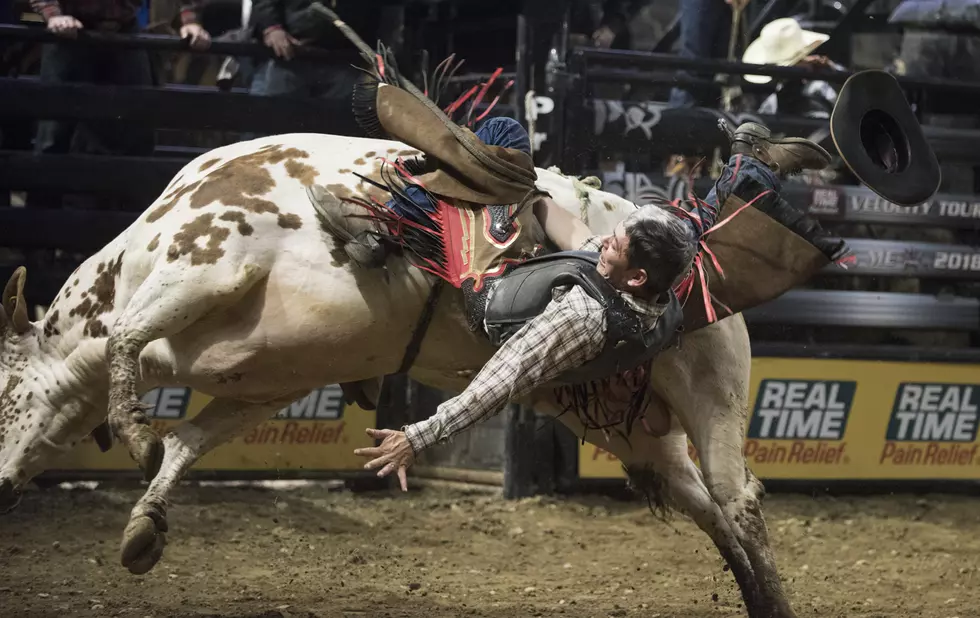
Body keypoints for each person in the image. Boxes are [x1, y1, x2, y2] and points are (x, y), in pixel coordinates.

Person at [351, 116, 832, 490]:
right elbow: (588, 239)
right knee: (693, 239)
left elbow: (497, 383)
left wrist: (417, 438)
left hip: (491, 292)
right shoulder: (660, 291)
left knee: (492, 146)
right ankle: (750, 167)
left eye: (616, 245)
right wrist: (537, 199)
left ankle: (387, 219)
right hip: (570, 279)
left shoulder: (581, 313)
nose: (607, 242)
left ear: (635, 274)